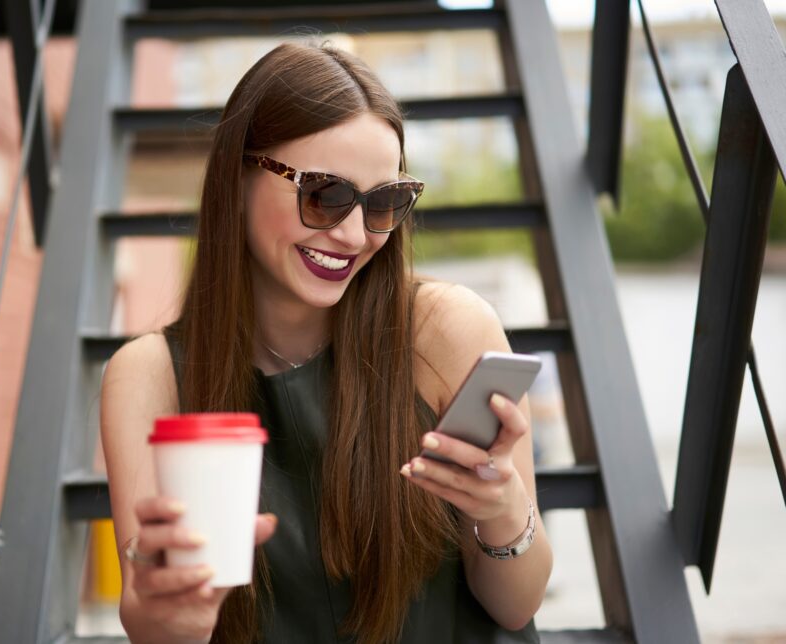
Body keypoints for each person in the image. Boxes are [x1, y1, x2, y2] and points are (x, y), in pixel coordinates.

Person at [100, 41, 553, 644]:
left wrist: (501, 511)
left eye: (385, 203)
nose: (353, 234)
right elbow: (154, 625)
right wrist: (172, 613)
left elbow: (515, 608)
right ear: (238, 176)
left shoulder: (448, 330)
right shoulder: (149, 376)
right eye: (324, 195)